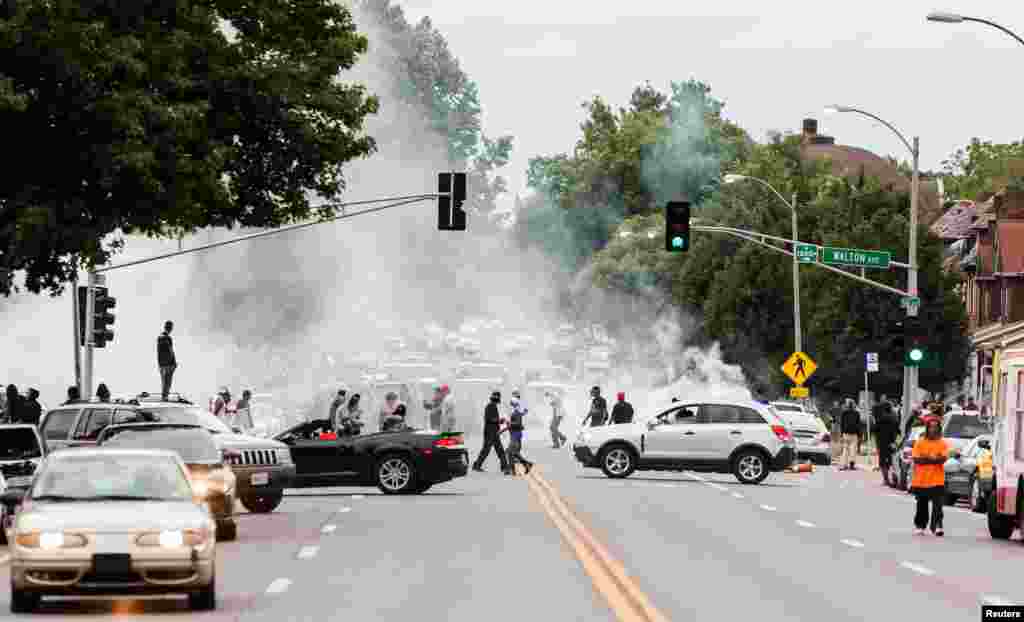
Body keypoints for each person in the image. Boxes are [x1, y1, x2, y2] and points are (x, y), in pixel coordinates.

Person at [911, 415, 949, 536]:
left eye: (935, 427)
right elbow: (917, 460)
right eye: (931, 427)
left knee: (938, 506)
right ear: (927, 429)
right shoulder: (920, 442)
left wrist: (926, 458)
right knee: (922, 504)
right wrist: (932, 458)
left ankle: (937, 526)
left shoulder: (942, 443)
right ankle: (920, 525)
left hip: (937, 480)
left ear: (939, 429)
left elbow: (942, 459)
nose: (933, 429)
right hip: (921, 480)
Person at [472, 391, 509, 473]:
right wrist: (499, 420)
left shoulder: (492, 406)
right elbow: (490, 419)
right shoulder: (490, 406)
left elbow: (492, 419)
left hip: (493, 432)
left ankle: (504, 467)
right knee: (489, 450)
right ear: (497, 399)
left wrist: (499, 421)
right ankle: (504, 467)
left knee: (497, 450)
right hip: (490, 432)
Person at [505, 397, 533, 476]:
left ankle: (513, 470)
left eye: (511, 404)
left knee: (510, 452)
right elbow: (513, 423)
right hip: (514, 433)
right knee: (513, 452)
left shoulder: (516, 412)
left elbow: (518, 423)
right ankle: (526, 465)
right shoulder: (515, 411)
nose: (511, 405)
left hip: (516, 434)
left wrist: (509, 423)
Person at [873, 397, 899, 484]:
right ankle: (895, 478)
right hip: (892, 442)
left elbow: (875, 431)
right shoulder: (894, 418)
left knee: (883, 462)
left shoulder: (879, 419)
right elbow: (897, 430)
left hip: (881, 443)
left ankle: (886, 479)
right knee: (893, 461)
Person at [157, 321, 177, 400]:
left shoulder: (159, 337)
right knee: (168, 382)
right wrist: (174, 363)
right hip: (168, 364)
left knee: (164, 382)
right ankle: (165, 397)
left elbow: (159, 352)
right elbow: (171, 351)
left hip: (161, 364)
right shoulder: (167, 338)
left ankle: (164, 396)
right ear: (170, 328)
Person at [839, 398, 861, 471]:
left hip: (846, 433)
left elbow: (841, 424)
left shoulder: (844, 413)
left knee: (845, 449)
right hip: (854, 433)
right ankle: (852, 464)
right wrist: (859, 434)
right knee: (853, 449)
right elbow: (858, 425)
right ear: (854, 405)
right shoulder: (857, 413)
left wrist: (841, 433)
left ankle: (844, 464)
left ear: (847, 405)